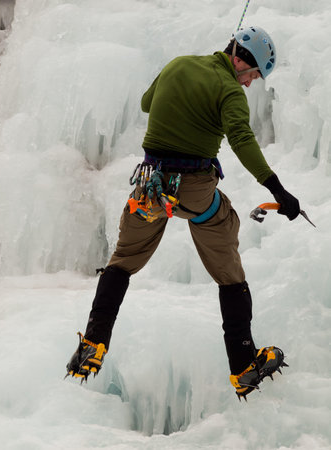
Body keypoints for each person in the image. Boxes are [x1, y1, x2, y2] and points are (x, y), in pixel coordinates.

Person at [66, 26, 299, 400]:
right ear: (240, 60)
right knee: (226, 240)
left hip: (150, 186)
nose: (250, 84)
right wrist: (278, 190)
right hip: (193, 190)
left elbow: (146, 103)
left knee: (123, 260)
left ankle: (93, 345)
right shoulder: (229, 93)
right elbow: (241, 140)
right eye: (253, 75)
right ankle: (243, 366)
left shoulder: (177, 65)